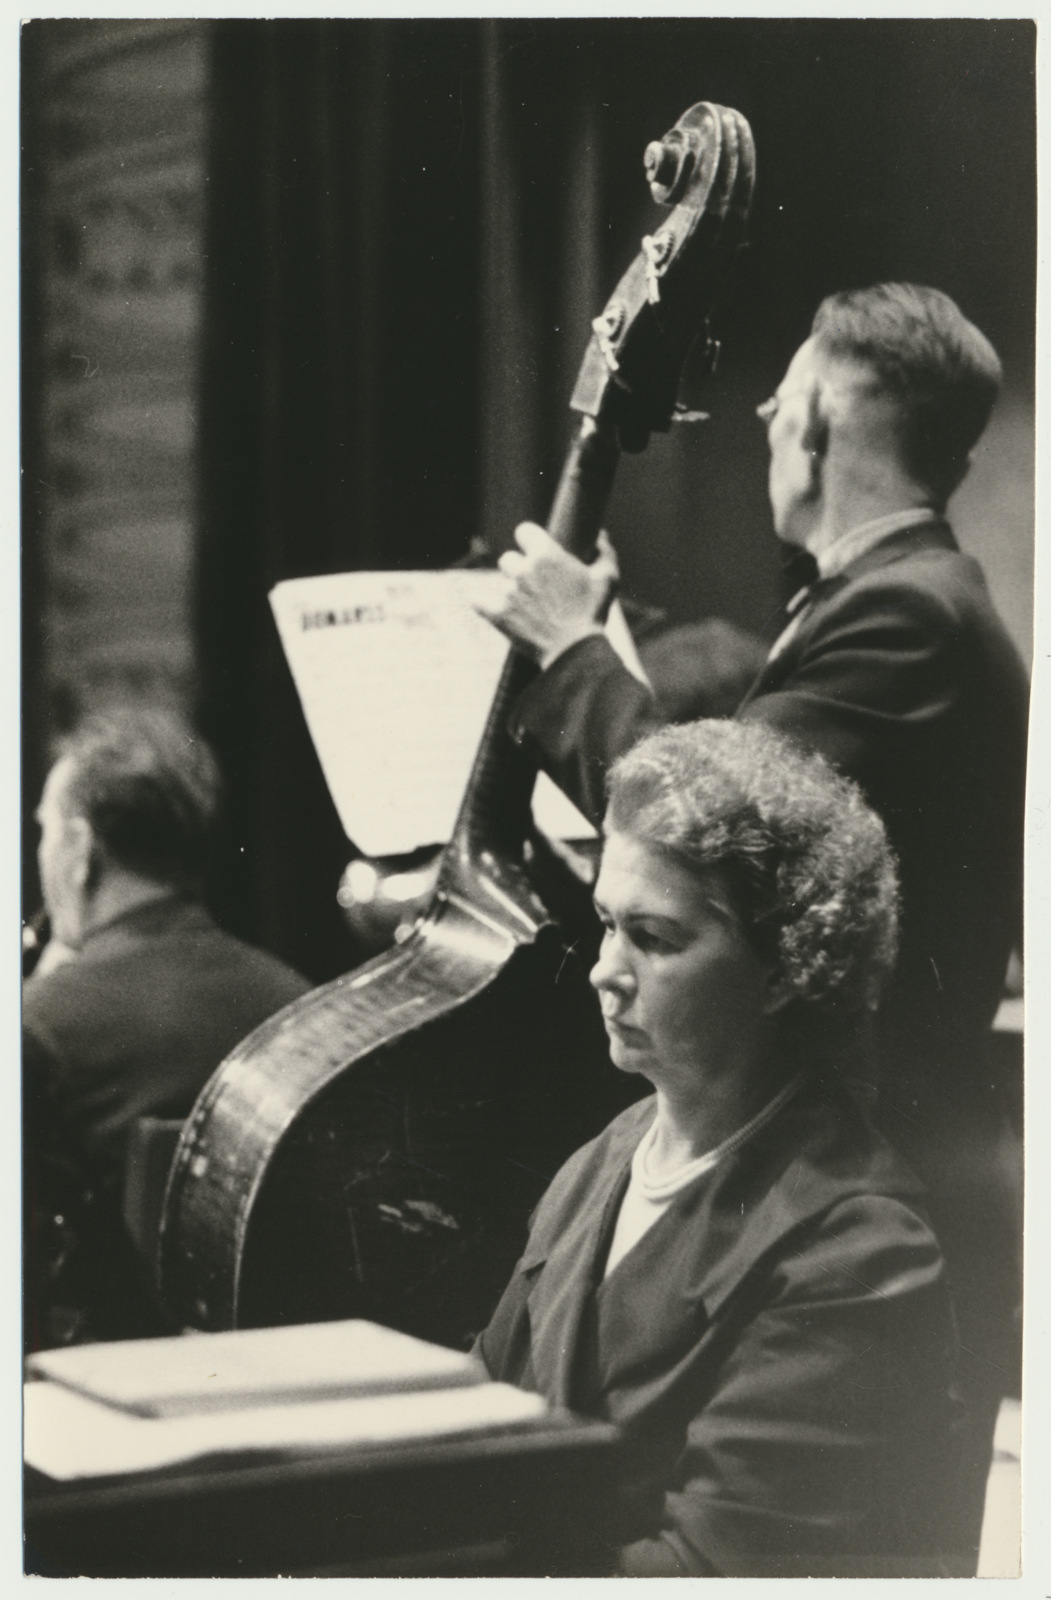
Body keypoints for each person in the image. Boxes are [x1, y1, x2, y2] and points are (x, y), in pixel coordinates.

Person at [476, 283, 1028, 1518]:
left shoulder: (903, 612)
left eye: (786, 391)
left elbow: (725, 821)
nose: (768, 408)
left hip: (851, 1202)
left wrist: (572, 654)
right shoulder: (890, 602)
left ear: (821, 425)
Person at [477, 718, 965, 1576]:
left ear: (786, 969)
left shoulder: (854, 1249)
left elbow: (716, 1568)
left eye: (653, 939)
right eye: (604, 923)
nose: (603, 969)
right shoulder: (605, 1158)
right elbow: (475, 1424)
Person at [23, 706, 312, 1348]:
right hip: (283, 1378)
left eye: (43, 832)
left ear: (77, 848)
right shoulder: (303, 1006)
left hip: (97, 1393)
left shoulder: (39, 1024)